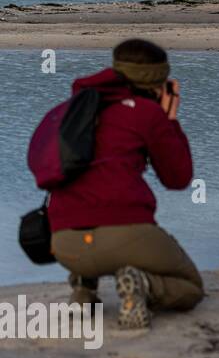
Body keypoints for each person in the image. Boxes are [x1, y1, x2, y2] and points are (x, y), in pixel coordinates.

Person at [48, 39, 203, 329]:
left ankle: (83, 289)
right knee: (191, 285)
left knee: (86, 201)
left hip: (63, 243)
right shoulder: (147, 114)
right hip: (124, 237)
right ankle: (143, 285)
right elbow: (178, 179)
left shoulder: (76, 109)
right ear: (159, 82)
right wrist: (170, 119)